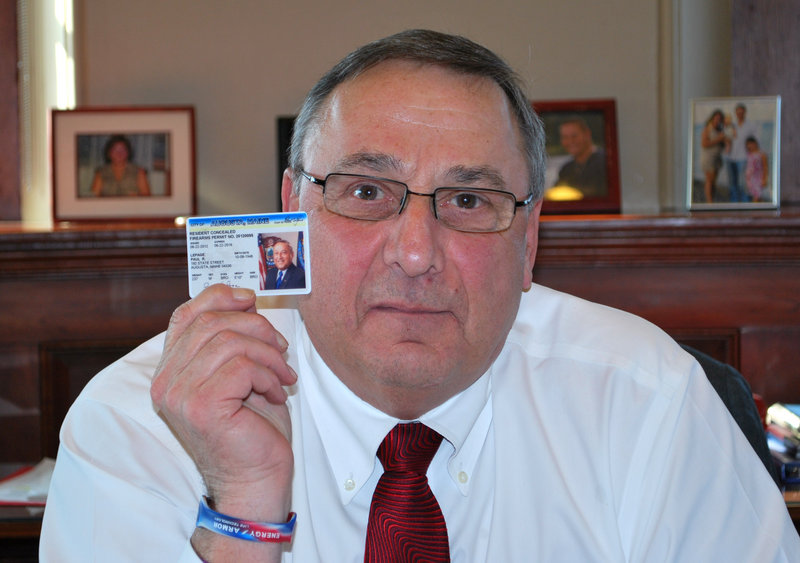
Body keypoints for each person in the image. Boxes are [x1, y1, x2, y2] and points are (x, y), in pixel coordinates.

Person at [40, 30, 799, 562]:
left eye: (469, 201)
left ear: (528, 239)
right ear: (290, 213)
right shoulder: (139, 425)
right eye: (365, 190)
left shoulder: (648, 404)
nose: (414, 251)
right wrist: (241, 516)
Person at [553, 116, 607, 197]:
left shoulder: (605, 163)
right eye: (565, 137)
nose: (570, 141)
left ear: (587, 134)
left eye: (574, 136)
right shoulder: (566, 169)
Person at [726, 104, 759, 202]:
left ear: (745, 112)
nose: (739, 114)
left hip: (743, 158)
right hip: (730, 157)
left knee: (743, 183)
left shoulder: (750, 125)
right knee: (732, 183)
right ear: (735, 113)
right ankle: (734, 204)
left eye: (741, 111)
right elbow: (727, 138)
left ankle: (745, 203)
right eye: (738, 112)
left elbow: (755, 141)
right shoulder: (732, 125)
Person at [699, 109, 728, 203]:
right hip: (708, 158)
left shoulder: (720, 130)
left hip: (717, 158)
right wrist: (718, 139)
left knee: (714, 181)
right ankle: (709, 201)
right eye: (716, 118)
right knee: (709, 180)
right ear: (712, 119)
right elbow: (704, 143)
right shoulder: (707, 129)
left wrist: (724, 141)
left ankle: (712, 199)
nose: (717, 120)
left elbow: (723, 144)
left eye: (719, 119)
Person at [745, 136, 769, 202]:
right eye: (747, 144)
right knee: (757, 197)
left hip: (758, 179)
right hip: (750, 180)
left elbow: (765, 167)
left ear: (755, 143)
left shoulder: (762, 154)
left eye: (751, 144)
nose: (749, 146)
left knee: (757, 196)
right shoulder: (749, 154)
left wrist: (764, 179)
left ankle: (754, 211)